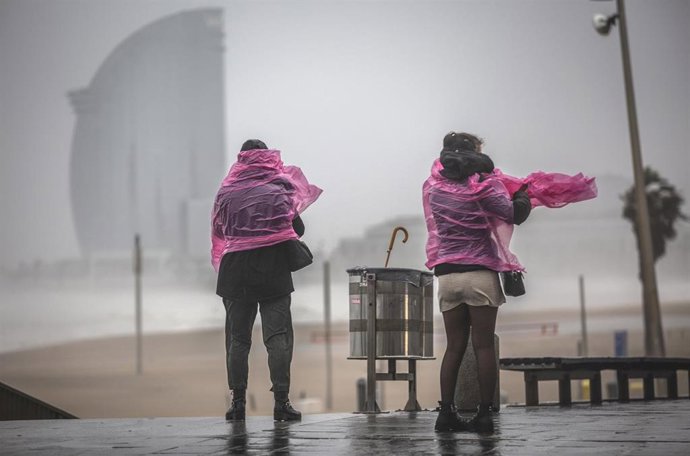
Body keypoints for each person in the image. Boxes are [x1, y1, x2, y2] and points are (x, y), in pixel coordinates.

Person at [423, 132, 532, 433]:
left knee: (454, 347)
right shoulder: (484, 185)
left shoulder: (434, 189)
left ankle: (446, 414)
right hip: (480, 274)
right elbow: (514, 214)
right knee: (483, 345)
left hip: (447, 276)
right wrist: (523, 192)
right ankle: (484, 415)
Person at [211, 139, 322, 422]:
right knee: (278, 338)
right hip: (273, 268)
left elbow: (220, 229)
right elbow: (297, 228)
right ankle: (281, 403)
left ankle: (237, 404)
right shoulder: (278, 189)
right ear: (267, 157)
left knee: (237, 340)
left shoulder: (225, 192)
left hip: (235, 271)